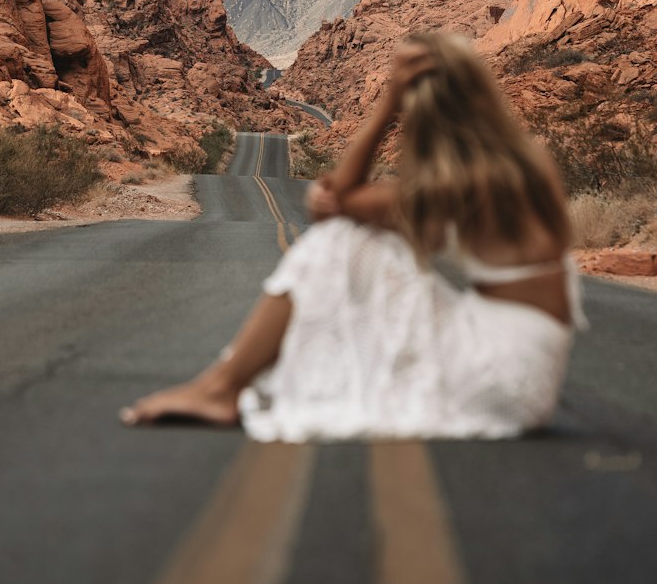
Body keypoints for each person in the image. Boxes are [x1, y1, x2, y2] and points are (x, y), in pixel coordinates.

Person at [120, 32, 586, 440]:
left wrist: (387, 106)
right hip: (528, 370)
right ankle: (221, 384)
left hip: (501, 374)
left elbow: (335, 201)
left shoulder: (470, 179)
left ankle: (222, 387)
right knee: (351, 238)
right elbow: (339, 198)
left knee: (339, 241)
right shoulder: (521, 161)